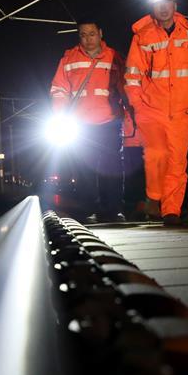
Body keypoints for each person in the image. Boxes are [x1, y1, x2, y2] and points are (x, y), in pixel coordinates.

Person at [124, 0, 188, 225]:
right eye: (158, 3)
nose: (163, 7)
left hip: (182, 110)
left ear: (175, 5)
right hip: (151, 109)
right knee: (155, 157)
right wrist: (138, 106)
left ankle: (171, 211)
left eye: (167, 2)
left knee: (177, 162)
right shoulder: (142, 37)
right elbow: (132, 76)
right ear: (152, 7)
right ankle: (154, 199)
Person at [50, 18, 130, 222]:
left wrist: (132, 112)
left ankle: (112, 210)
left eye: (91, 34)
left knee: (111, 169)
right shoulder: (68, 59)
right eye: (83, 35)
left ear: (100, 33)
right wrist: (61, 115)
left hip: (109, 121)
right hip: (81, 124)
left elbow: (125, 87)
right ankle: (88, 209)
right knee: (84, 169)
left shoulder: (114, 57)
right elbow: (59, 90)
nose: (87, 39)